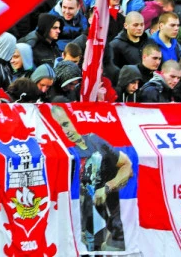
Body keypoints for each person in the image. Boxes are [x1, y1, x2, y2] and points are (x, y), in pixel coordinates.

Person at [50, 105, 133, 251]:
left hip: (108, 231)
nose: (65, 131)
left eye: (66, 124)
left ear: (74, 120)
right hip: (74, 229)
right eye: (60, 127)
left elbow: (127, 165)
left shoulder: (94, 141)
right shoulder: (60, 152)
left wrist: (107, 187)